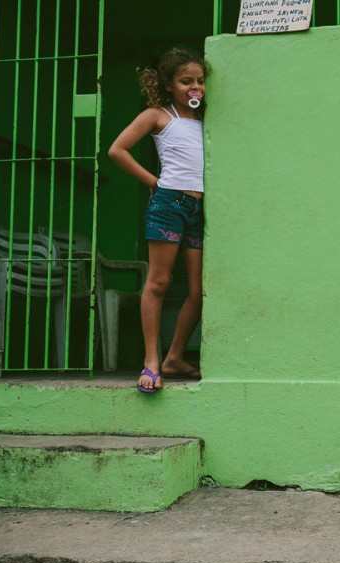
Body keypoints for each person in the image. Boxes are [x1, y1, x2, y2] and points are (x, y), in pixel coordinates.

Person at [108, 47, 208, 393]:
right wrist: (153, 181)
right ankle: (152, 361)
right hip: (168, 203)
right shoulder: (157, 116)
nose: (195, 88)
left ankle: (175, 357)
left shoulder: (206, 119)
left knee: (198, 291)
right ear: (169, 85)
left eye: (199, 81)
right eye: (186, 82)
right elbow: (117, 150)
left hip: (199, 208)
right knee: (160, 282)